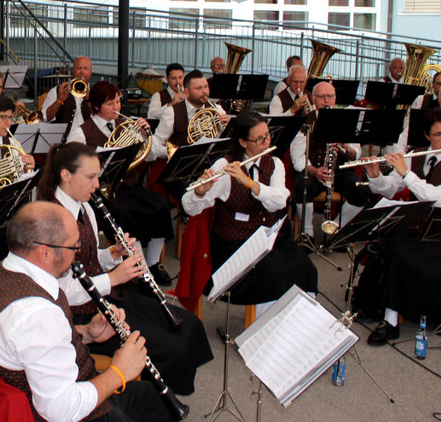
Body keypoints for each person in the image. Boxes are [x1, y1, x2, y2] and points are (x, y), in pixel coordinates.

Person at [0, 201, 174, 422]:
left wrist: (86, 333)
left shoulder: (2, 273)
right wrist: (118, 372)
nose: (78, 251)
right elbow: (60, 411)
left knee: (154, 400)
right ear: (43, 252)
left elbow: (29, 349)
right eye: (73, 246)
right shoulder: (37, 313)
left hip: (55, 391)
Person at [36, 143, 212, 396]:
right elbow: (59, 290)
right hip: (80, 315)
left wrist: (113, 254)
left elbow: (89, 256)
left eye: (98, 176)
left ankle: (157, 397)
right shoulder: (52, 218)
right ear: (66, 175)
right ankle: (151, 401)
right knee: (168, 348)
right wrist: (113, 278)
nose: (98, 185)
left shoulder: (84, 205)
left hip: (104, 298)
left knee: (189, 324)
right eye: (91, 177)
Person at [180, 112, 316, 318]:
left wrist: (250, 183)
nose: (266, 142)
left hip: (269, 238)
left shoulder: (275, 164)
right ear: (243, 142)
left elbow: (279, 201)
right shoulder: (224, 166)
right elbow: (189, 208)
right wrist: (201, 191)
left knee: (305, 267)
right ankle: (265, 330)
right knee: (272, 275)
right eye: (259, 139)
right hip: (234, 244)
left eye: (267, 136)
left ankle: (300, 322)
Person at [355, 108, 441, 345]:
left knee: (407, 255)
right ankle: (390, 320)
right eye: (439, 135)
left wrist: (407, 174)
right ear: (427, 135)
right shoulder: (414, 155)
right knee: (391, 248)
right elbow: (391, 188)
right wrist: (376, 176)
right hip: (414, 225)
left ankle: (423, 313)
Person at [67, 81, 173, 286]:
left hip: (130, 185)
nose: (117, 107)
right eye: (110, 104)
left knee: (160, 205)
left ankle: (152, 264)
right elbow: (73, 164)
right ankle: (140, 269)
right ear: (97, 106)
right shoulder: (82, 132)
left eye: (118, 102)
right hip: (103, 191)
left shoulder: (127, 124)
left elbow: (150, 156)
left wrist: (145, 135)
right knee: (126, 214)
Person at [289, 81, 371, 233]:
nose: (327, 101)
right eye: (322, 97)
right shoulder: (306, 120)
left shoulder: (346, 119)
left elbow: (356, 153)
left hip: (339, 171)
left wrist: (344, 147)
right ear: (313, 99)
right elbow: (297, 156)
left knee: (362, 191)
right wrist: (314, 171)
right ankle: (308, 233)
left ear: (335, 98)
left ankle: (336, 229)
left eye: (330, 96)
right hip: (315, 171)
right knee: (303, 186)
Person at [150, 70, 226, 160]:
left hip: (211, 162)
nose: (205, 91)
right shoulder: (172, 112)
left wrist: (226, 128)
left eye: (206, 87)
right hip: (184, 163)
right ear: (187, 92)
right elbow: (155, 144)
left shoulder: (217, 109)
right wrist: (176, 152)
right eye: (199, 88)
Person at [44, 56, 93, 127]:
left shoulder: (96, 92)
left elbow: (101, 120)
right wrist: (59, 100)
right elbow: (45, 119)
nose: (82, 71)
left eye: (86, 68)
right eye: (79, 68)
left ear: (90, 71)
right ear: (73, 70)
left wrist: (88, 100)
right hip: (64, 137)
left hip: (87, 137)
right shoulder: (56, 91)